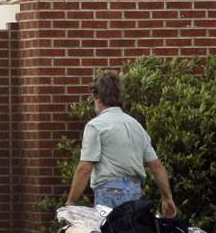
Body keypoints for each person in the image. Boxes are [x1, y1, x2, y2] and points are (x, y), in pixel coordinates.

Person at [66, 70, 177, 217]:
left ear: (97, 98)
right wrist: (167, 198)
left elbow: (85, 169)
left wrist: (71, 203)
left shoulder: (96, 126)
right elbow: (156, 166)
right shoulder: (136, 125)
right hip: (134, 192)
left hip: (108, 192)